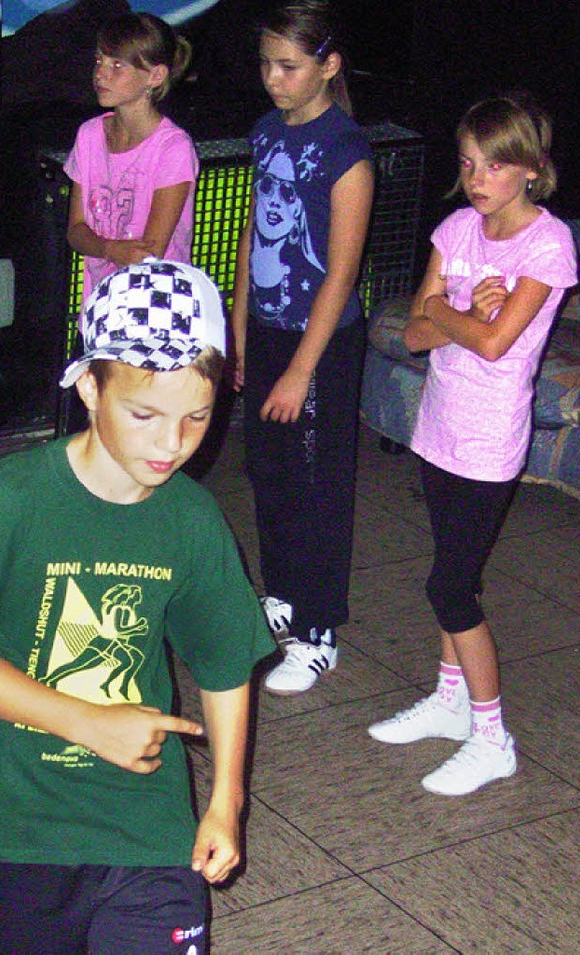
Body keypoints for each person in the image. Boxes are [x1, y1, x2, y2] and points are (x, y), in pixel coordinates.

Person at [0, 259, 275, 954]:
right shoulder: (12, 497)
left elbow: (224, 661)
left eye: (197, 416)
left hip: (144, 822)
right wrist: (88, 722)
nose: (172, 444)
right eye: (145, 414)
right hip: (13, 823)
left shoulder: (189, 517)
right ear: (90, 386)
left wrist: (227, 801)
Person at [368, 94, 577, 796]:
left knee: (450, 585)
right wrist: (461, 312)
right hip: (439, 426)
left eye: (494, 164)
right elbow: (414, 331)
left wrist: (451, 315)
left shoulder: (547, 244)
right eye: (468, 162)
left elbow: (493, 344)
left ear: (530, 169)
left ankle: (493, 738)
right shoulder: (457, 228)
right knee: (454, 570)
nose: (477, 177)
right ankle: (452, 699)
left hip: (490, 438)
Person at [231, 0, 374, 695]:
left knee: (317, 485)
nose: (273, 79)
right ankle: (283, 591)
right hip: (269, 329)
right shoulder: (265, 132)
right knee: (270, 470)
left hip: (322, 342)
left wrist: (300, 368)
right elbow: (250, 236)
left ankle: (319, 629)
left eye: (287, 66)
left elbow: (341, 270)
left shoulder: (347, 150)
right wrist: (238, 331)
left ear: (328, 66)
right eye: (266, 64)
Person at [64, 11, 198, 306]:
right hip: (99, 309)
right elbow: (75, 231)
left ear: (155, 76)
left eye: (117, 65)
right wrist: (110, 248)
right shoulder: (88, 135)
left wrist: (107, 248)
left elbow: (147, 255)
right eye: (99, 60)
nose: (101, 73)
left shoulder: (173, 149)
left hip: (153, 310)